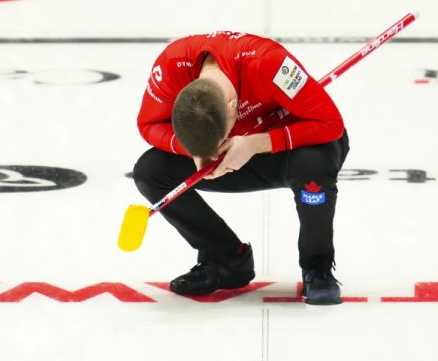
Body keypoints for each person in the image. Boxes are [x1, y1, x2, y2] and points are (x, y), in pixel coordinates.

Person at [132, 31, 349, 305]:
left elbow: (330, 124)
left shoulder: (270, 64)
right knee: (150, 171)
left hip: (288, 148)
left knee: (313, 166)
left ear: (233, 109)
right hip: (231, 154)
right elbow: (147, 124)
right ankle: (226, 258)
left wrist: (256, 144)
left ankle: (317, 266)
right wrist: (193, 151)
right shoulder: (171, 66)